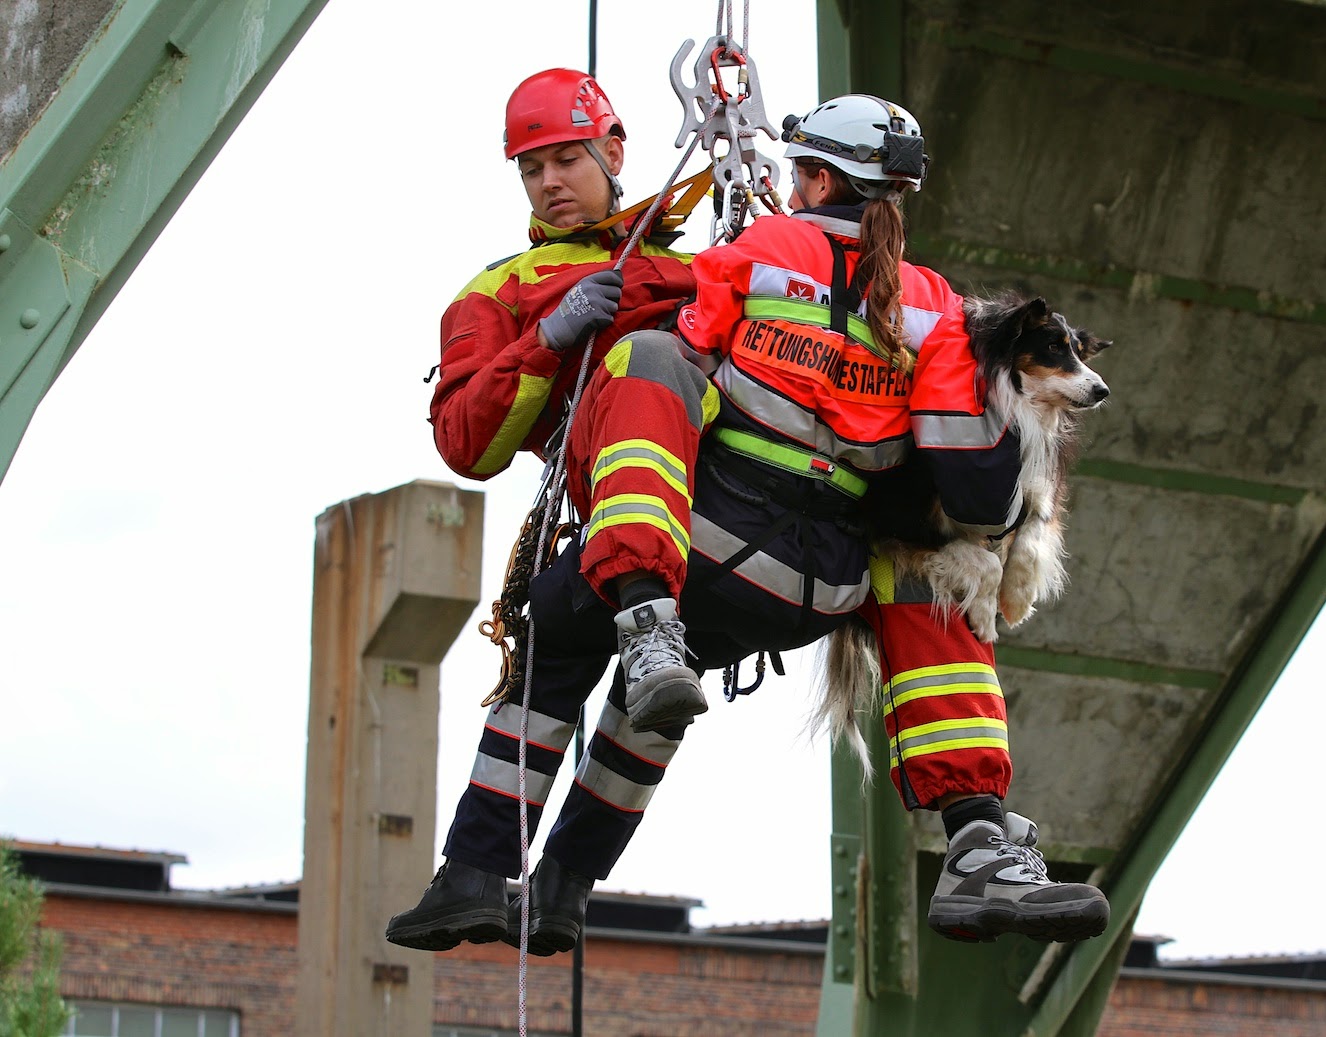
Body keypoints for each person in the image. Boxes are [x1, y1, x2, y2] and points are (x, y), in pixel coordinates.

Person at [387, 86, 1108, 955]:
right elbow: (469, 439)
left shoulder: (739, 253)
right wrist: (546, 338)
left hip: (684, 544)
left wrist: (592, 331)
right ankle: (975, 832)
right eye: (531, 167)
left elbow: (692, 339)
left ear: (616, 150)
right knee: (929, 568)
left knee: (565, 623)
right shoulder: (928, 302)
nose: (549, 181)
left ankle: (475, 870)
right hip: (816, 582)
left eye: (566, 158)